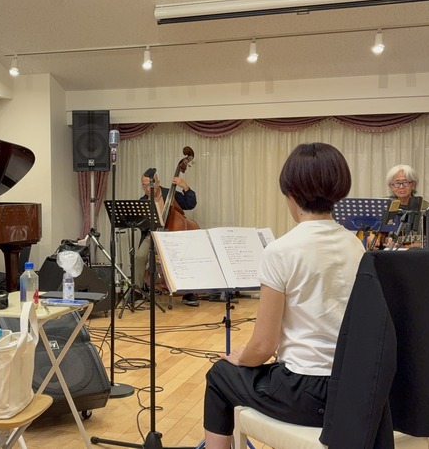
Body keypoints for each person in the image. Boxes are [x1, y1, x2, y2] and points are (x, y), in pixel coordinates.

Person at [203, 142, 365, 448]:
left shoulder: (281, 250)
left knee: (220, 375)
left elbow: (263, 346)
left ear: (290, 192)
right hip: (351, 387)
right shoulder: (356, 245)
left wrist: (241, 356)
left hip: (305, 393)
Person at [134, 168, 198, 306]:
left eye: (149, 185)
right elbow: (141, 226)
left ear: (158, 183)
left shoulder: (170, 194)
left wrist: (185, 187)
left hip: (173, 237)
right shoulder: (143, 201)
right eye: (144, 185)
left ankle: (188, 292)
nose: (147, 189)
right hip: (153, 236)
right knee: (140, 256)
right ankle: (137, 291)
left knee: (184, 258)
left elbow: (190, 204)